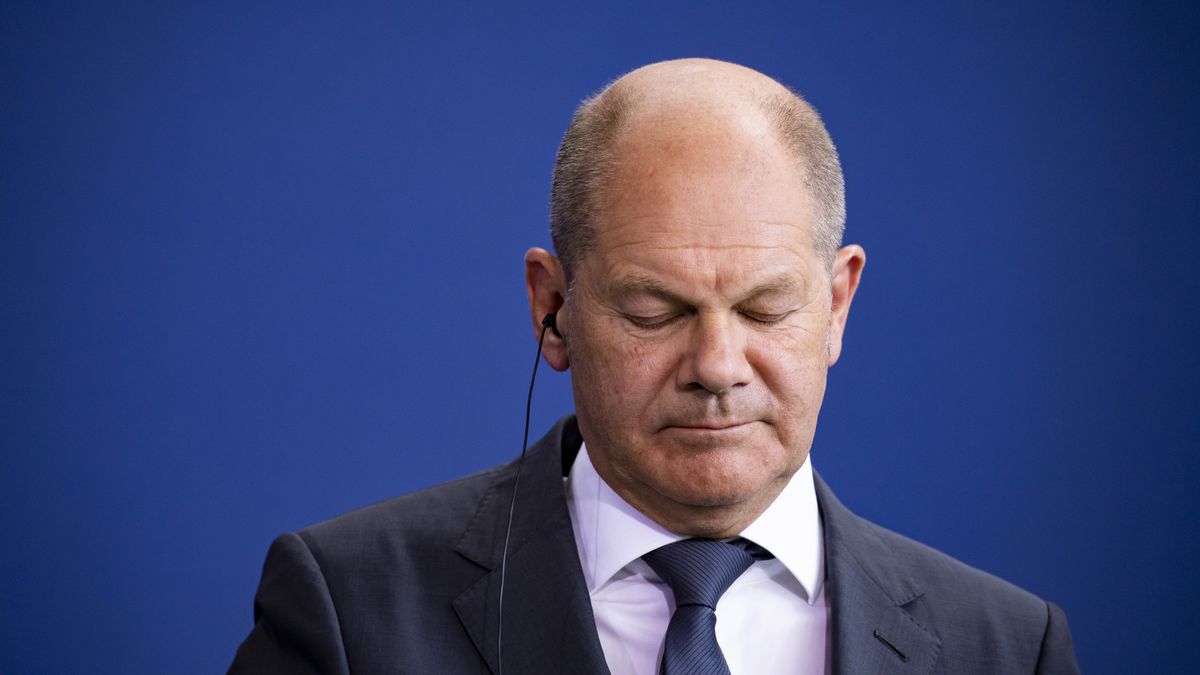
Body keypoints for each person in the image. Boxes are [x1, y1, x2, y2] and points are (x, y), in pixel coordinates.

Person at [229, 58, 1080, 674]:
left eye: (764, 308)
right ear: (550, 308)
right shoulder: (347, 611)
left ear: (838, 305)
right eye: (654, 310)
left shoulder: (1009, 646)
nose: (716, 365)